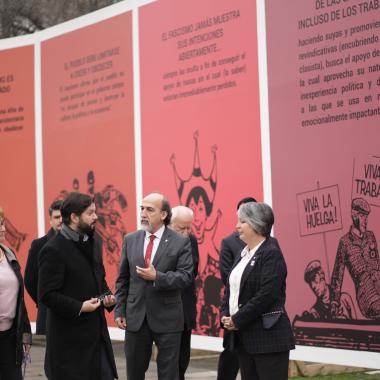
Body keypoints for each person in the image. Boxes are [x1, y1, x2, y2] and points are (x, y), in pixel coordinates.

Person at [38, 192, 118, 380]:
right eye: (90, 213)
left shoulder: (94, 241)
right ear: (74, 217)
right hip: (69, 346)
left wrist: (108, 297)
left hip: (97, 340)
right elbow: (47, 294)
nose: (96, 217)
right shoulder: (53, 250)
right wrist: (80, 307)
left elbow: (99, 278)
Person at [115, 192, 193, 380]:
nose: (143, 213)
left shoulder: (180, 241)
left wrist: (157, 276)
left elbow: (185, 276)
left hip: (168, 319)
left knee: (168, 374)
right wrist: (119, 310)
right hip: (136, 318)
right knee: (134, 372)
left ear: (164, 215)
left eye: (150, 209)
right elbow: (123, 279)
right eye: (142, 208)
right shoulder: (131, 239)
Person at [221, 202, 294, 380]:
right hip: (244, 337)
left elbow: (267, 294)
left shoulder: (271, 253)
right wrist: (225, 314)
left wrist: (237, 319)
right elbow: (231, 288)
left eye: (242, 221)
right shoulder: (243, 253)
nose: (237, 226)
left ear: (256, 224)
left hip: (268, 339)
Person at [217, 197, 256, 380]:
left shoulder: (267, 243)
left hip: (257, 311)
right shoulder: (229, 242)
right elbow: (227, 277)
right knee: (231, 355)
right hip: (234, 309)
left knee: (252, 361)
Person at [331, 198, 380, 319]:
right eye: (362, 216)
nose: (365, 221)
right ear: (354, 215)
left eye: (366, 217)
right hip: (367, 297)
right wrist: (334, 301)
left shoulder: (370, 237)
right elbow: (338, 274)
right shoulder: (345, 242)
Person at [0, 206, 32, 380]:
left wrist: (25, 334)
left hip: (10, 338)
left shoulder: (8, 253)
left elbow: (20, 299)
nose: (3, 229)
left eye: (3, 223)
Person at [169, 206, 199, 380]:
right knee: (169, 361)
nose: (186, 232)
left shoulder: (191, 241)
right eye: (182, 228)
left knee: (182, 359)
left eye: (189, 228)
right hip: (164, 309)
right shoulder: (160, 241)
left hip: (185, 307)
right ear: (170, 224)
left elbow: (192, 272)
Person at [24, 200, 63, 335]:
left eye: (63, 217)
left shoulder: (77, 244)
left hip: (71, 318)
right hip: (47, 316)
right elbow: (30, 280)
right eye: (57, 217)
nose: (60, 221)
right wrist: (44, 300)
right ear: (50, 220)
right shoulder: (38, 245)